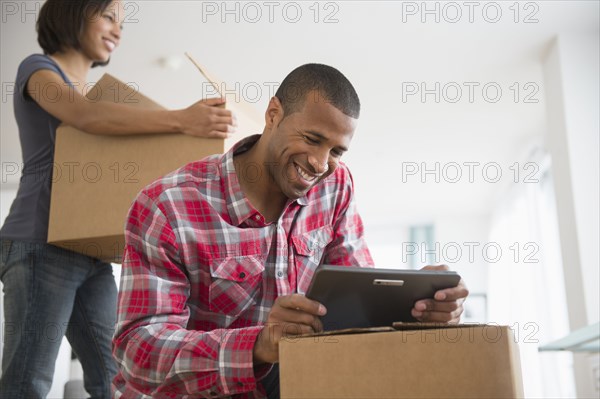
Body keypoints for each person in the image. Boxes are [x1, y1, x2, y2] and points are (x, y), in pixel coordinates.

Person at [112, 63, 469, 398]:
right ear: (273, 114)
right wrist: (259, 345)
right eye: (312, 139)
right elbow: (138, 351)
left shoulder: (336, 186)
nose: (320, 163)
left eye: (336, 151)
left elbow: (355, 295)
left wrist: (417, 309)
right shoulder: (167, 206)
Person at [0, 0, 235, 398]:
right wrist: (181, 119)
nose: (118, 31)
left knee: (119, 376)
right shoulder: (38, 69)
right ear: (72, 13)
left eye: (122, 23)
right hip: (40, 244)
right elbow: (85, 116)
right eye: (108, 16)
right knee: (29, 381)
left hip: (88, 250)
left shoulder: (93, 96)